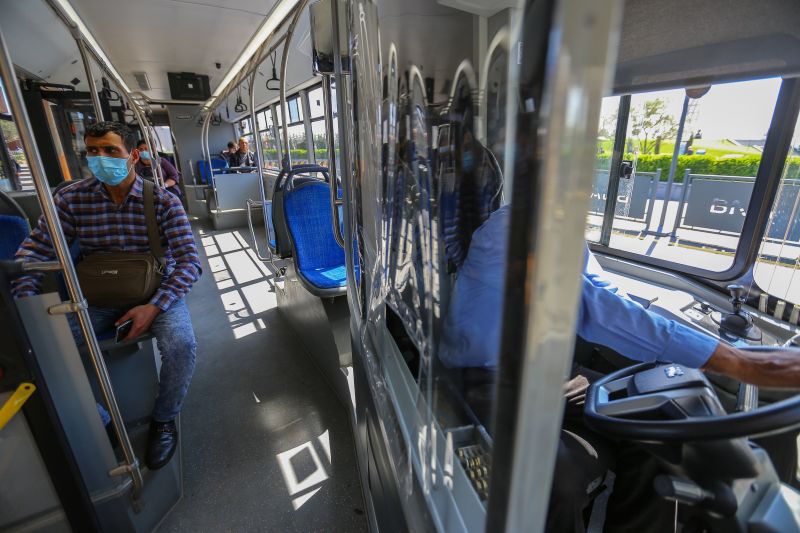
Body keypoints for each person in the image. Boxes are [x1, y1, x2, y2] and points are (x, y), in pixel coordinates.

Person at [440, 203, 800, 532]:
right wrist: (732, 360)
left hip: (548, 374)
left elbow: (601, 287)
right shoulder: (511, 227)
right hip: (484, 379)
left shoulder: (559, 222)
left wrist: (690, 346)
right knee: (555, 483)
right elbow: (588, 304)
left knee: (660, 434)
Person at [12, 121, 201, 470]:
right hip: (96, 296)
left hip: (155, 290)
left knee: (181, 346)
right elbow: (34, 252)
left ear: (132, 156)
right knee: (45, 350)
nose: (100, 158)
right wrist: (28, 303)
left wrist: (153, 307)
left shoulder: (162, 201)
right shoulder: (72, 199)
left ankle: (164, 419)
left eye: (111, 151)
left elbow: (189, 263)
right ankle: (102, 421)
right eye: (93, 151)